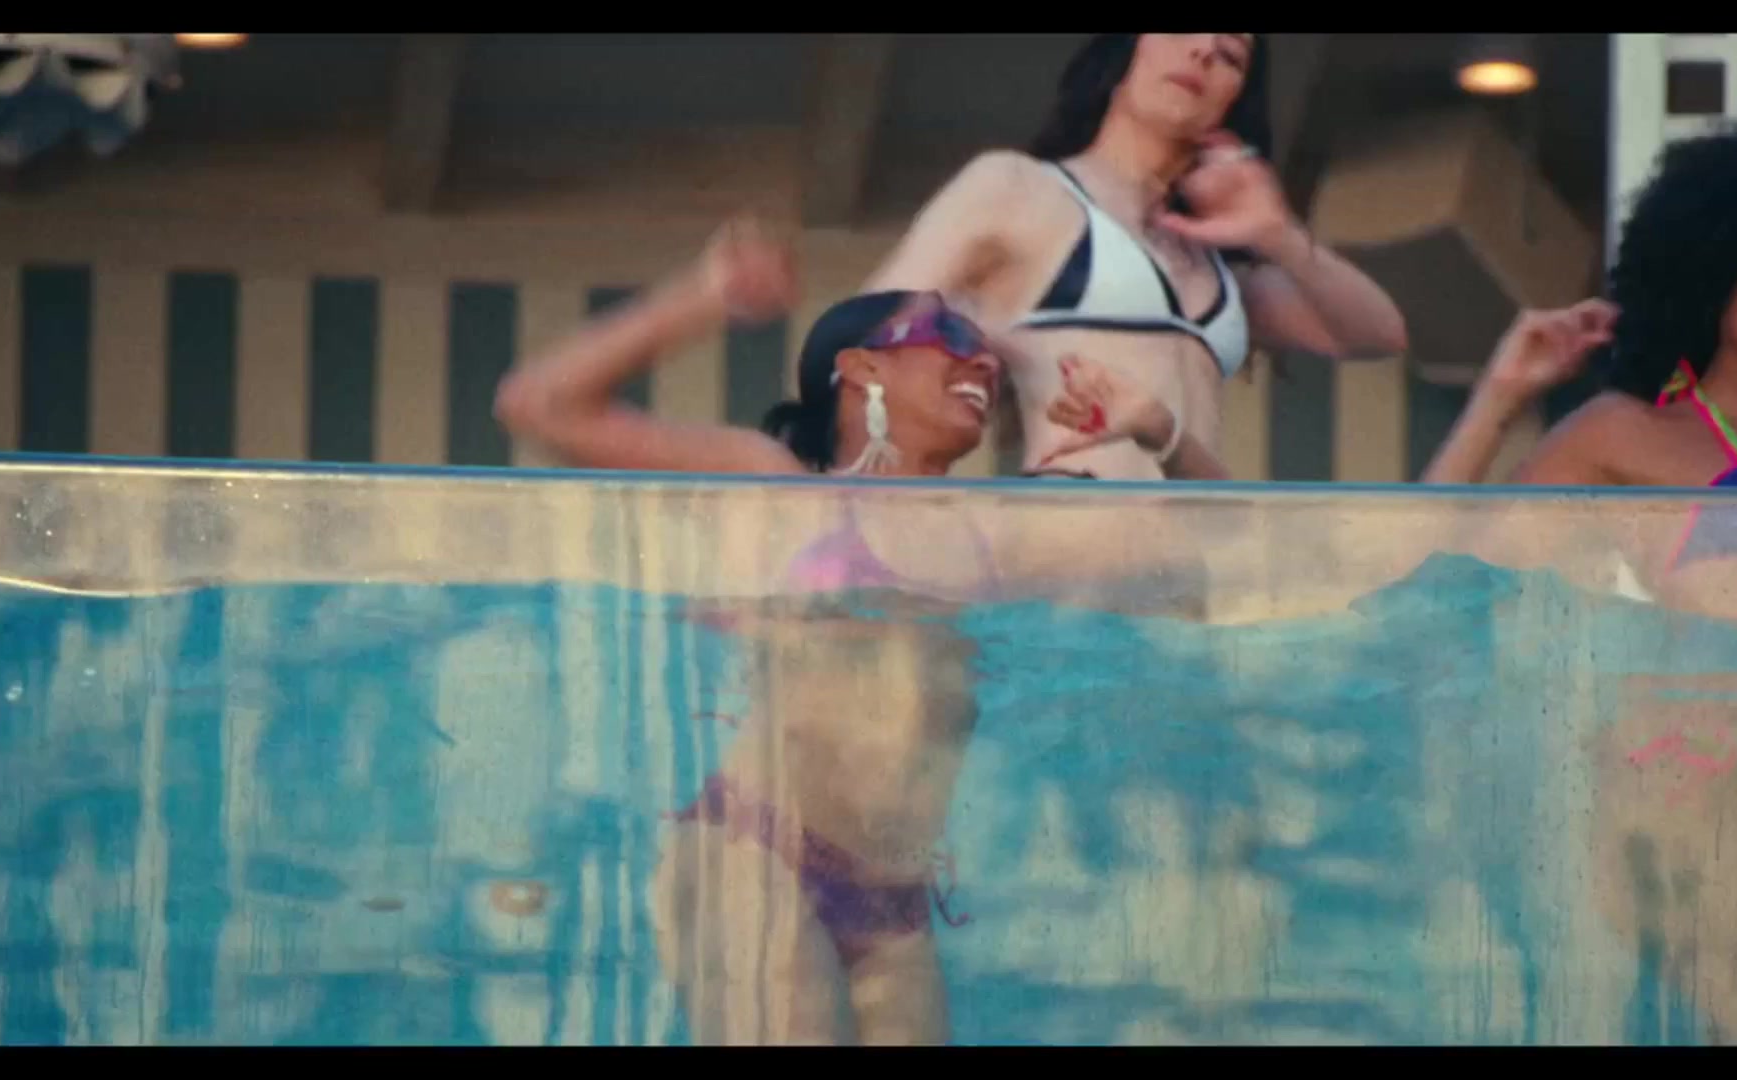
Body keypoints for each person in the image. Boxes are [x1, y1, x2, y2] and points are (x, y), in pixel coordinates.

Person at [493, 219, 1223, 1044]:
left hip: (892, 905)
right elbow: (537, 404)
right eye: (951, 337)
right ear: (863, 368)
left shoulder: (1000, 535)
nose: (982, 361)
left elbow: (1207, 558)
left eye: (986, 350)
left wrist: (1157, 428)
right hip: (754, 847)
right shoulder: (779, 493)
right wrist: (704, 297)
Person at [1421, 116, 1737, 1045]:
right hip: (1692, 824)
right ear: (1717, 262)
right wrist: (1499, 399)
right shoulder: (1627, 438)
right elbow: (1443, 594)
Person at [864, 33, 1409, 480]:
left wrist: (1279, 234)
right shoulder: (1019, 189)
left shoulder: (1217, 269)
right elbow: (859, 338)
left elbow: (1377, 334)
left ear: (1233, 102)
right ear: (1124, 49)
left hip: (1186, 572)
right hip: (1062, 558)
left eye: (1230, 55)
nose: (1203, 49)